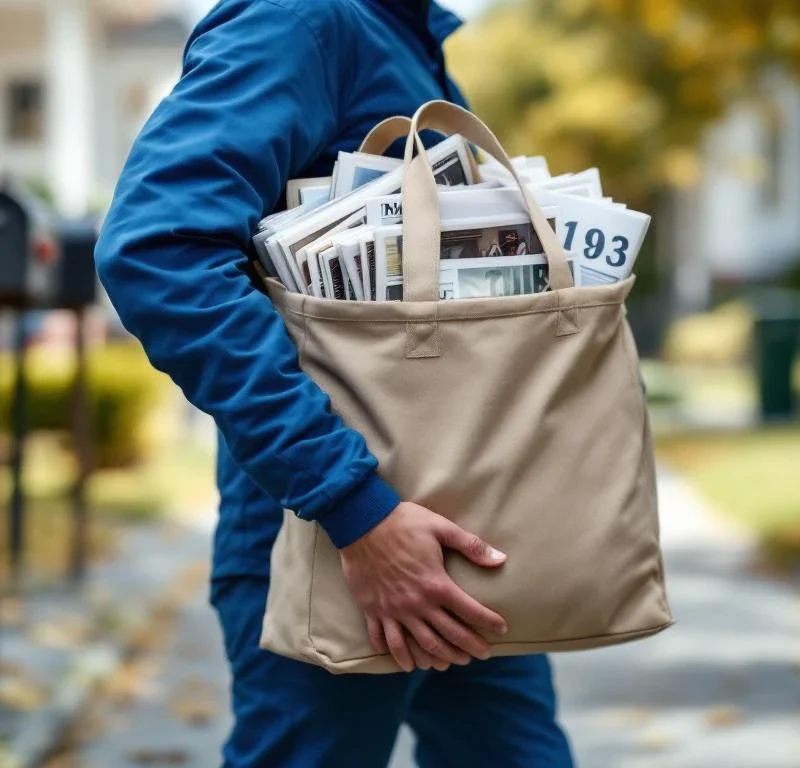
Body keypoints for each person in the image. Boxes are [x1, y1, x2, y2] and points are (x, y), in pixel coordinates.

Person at [94, 1, 574, 765]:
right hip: (336, 537)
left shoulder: (404, 32)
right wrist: (353, 508)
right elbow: (158, 249)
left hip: (461, 524)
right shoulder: (302, 17)